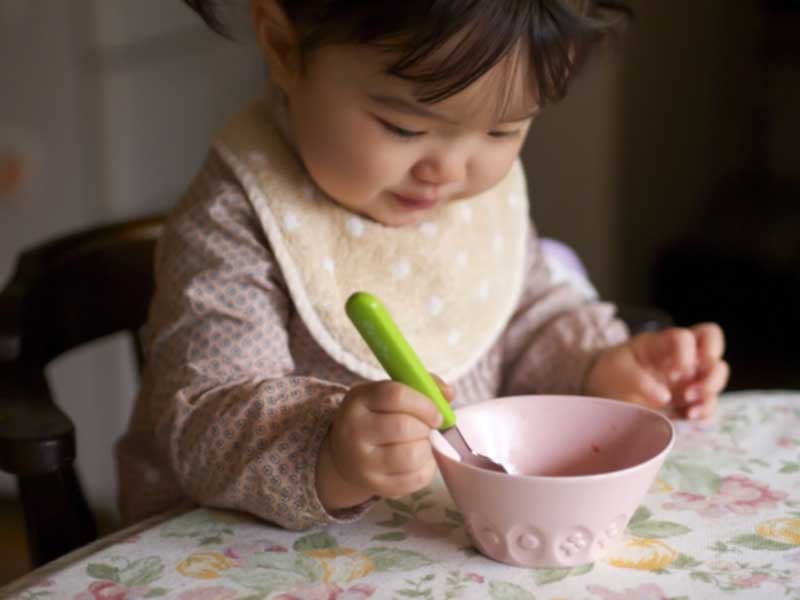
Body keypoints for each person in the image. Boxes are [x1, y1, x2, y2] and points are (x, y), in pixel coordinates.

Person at [116, 0, 728, 530]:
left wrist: (602, 368)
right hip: (239, 553)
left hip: (430, 543)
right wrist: (328, 451)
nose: (450, 169)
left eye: (502, 131)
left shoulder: (467, 194)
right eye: (405, 126)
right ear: (283, 46)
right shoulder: (236, 216)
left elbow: (529, 315)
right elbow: (202, 418)